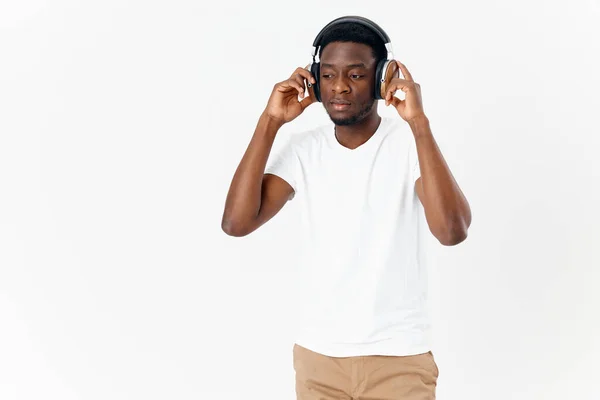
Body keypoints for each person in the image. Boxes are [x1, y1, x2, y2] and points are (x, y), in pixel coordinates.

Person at [222, 15, 471, 400]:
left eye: (356, 75)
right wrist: (271, 121)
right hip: (319, 360)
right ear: (316, 80)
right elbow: (236, 223)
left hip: (398, 359)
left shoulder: (409, 147)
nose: (339, 87)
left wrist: (418, 122)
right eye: (329, 75)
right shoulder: (304, 150)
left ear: (381, 80)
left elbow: (452, 231)